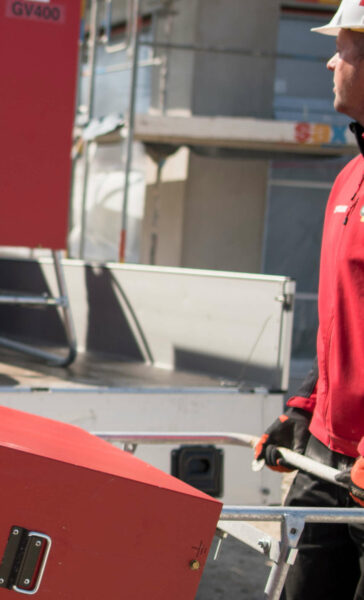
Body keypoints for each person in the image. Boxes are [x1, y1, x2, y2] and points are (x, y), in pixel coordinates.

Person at [255, 2, 364, 597]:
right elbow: (342, 319)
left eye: (341, 46)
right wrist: (302, 406)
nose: (327, 60)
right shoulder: (348, 178)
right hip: (329, 454)